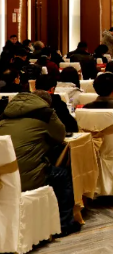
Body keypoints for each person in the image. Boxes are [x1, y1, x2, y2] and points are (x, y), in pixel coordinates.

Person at [0, 89, 82, 235]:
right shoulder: (46, 114)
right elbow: (60, 136)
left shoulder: (5, 114)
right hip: (27, 179)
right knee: (64, 174)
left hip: (4, 179)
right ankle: (64, 224)